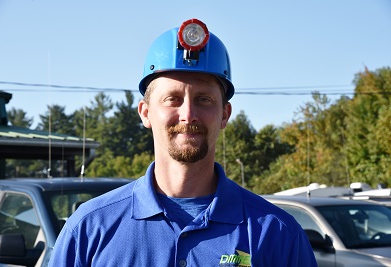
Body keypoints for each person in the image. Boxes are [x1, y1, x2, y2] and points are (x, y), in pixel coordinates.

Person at [49, 18, 317, 267]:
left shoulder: (277, 233)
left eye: (204, 99)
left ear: (224, 114)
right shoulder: (89, 228)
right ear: (145, 113)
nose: (188, 115)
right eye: (172, 99)